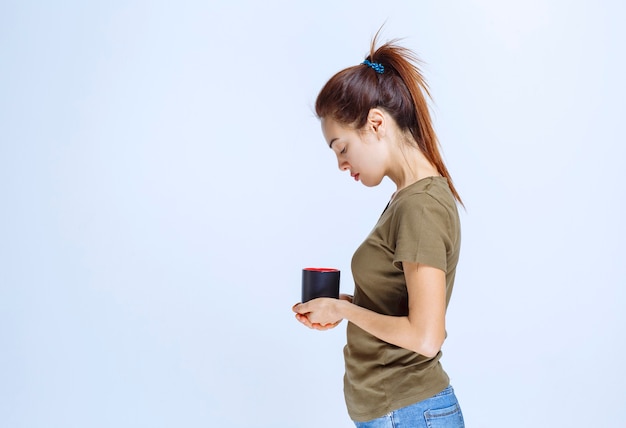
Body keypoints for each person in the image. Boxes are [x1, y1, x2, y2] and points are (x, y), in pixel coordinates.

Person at [292, 32, 466, 428]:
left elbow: (426, 336)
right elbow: (402, 306)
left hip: (408, 414)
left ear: (375, 123)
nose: (340, 164)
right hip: (402, 414)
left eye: (341, 147)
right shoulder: (408, 200)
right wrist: (344, 304)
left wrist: (344, 309)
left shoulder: (420, 205)